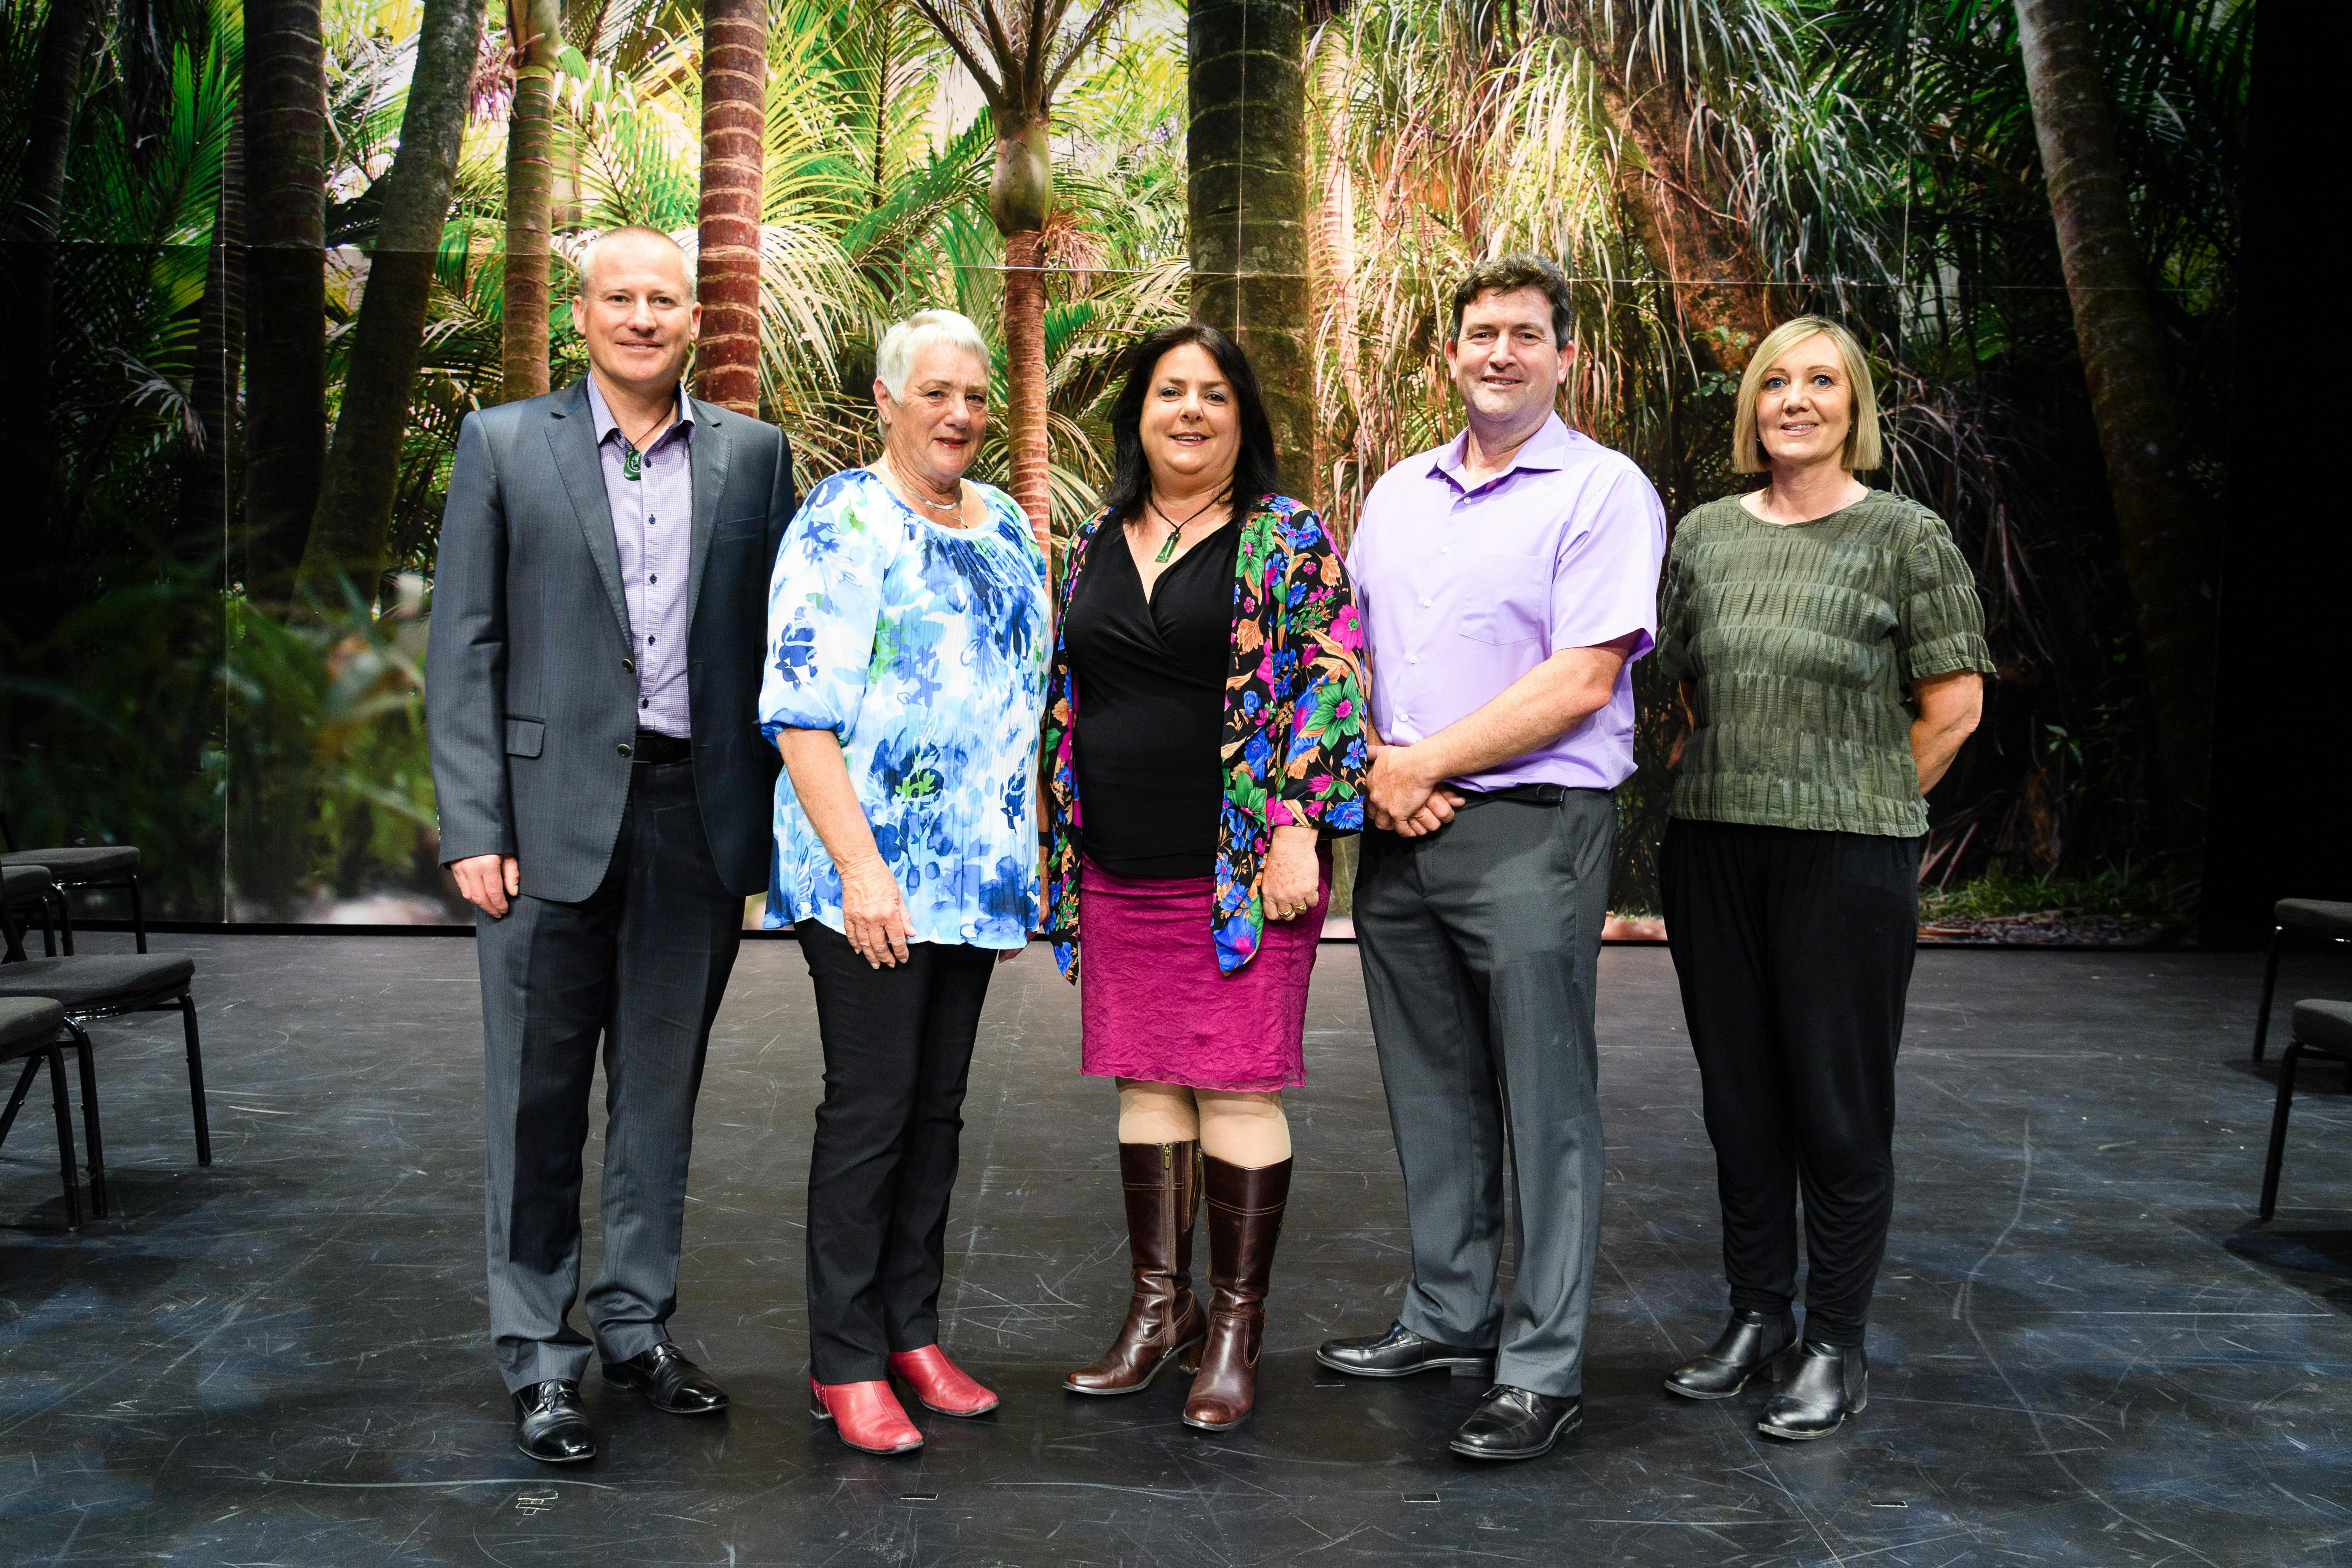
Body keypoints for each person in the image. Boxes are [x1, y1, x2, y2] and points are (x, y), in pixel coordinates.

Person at [427, 226, 796, 1463]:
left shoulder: (754, 459)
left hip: (695, 818)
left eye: (664, 299)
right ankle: (541, 1355)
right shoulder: (501, 444)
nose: (642, 317)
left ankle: (634, 1326)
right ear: (579, 316)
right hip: (538, 831)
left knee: (658, 1096)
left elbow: (774, 649)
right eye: (618, 297)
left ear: (696, 319)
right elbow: (465, 646)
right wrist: (474, 824)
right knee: (536, 1103)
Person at [1316, 255, 1666, 1462]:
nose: (1500, 353)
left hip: (1529, 830)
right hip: (1398, 831)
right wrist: (1376, 761)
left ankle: (1538, 1366)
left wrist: (1420, 765)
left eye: (1525, 334)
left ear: (1565, 357)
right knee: (1431, 1085)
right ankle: (1446, 1312)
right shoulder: (1398, 492)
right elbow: (1345, 649)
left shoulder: (1604, 491)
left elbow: (1581, 676)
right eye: (1480, 334)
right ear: (1451, 355)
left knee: (1544, 1100)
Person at [1655, 315, 1990, 1440]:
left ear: (1854, 409)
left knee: (1837, 1112)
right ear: (1751, 405)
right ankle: (1755, 1315)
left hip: (1845, 861)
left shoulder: (1904, 536)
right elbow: (1693, 690)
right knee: (1739, 1102)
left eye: (1821, 382)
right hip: (1713, 847)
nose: (1794, 398)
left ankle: (1833, 1345)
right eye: (1774, 382)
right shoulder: (1702, 534)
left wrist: (1857, 799)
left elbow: (1952, 705)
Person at [1044, 322, 1368, 1433]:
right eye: (1169, 392)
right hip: (1118, 860)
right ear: (1137, 411)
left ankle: (1234, 1324)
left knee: (1235, 1081)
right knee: (1145, 1080)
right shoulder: (1096, 536)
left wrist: (1295, 829)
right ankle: (1157, 1312)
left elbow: (1330, 684)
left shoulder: (1283, 537)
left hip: (1238, 867)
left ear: (1244, 419)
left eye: (1214, 395)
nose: (1189, 410)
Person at [763, 309, 1050, 1457]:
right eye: (934, 392)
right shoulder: (842, 518)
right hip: (869, 876)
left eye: (974, 396)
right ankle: (844, 1356)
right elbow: (799, 708)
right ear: (886, 400)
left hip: (970, 876)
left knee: (937, 1106)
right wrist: (862, 868)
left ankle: (910, 1327)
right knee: (873, 1106)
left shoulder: (1010, 522)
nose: (959, 415)